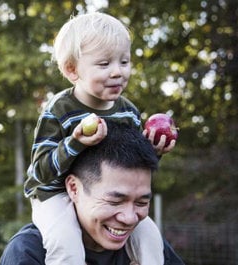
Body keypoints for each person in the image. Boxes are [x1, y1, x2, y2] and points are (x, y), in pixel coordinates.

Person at [24, 12, 175, 265]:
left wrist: (154, 150)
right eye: (104, 64)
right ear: (72, 70)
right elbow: (40, 172)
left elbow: (128, 168)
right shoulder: (59, 110)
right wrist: (74, 143)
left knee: (151, 239)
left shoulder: (128, 111)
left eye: (124, 62)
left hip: (105, 201)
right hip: (55, 194)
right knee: (66, 245)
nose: (118, 72)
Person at [1, 122, 184, 265]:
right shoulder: (28, 253)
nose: (129, 218)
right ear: (74, 188)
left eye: (141, 203)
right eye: (115, 201)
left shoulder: (149, 248)